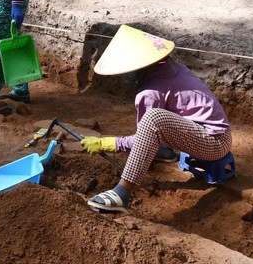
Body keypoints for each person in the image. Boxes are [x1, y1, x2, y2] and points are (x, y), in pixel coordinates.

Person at [81, 25, 233, 214]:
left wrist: (109, 143)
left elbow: (144, 136)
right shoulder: (170, 67)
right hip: (216, 134)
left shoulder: (150, 93)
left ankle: (122, 192)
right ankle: (164, 152)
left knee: (153, 119)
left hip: (214, 144)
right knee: (155, 120)